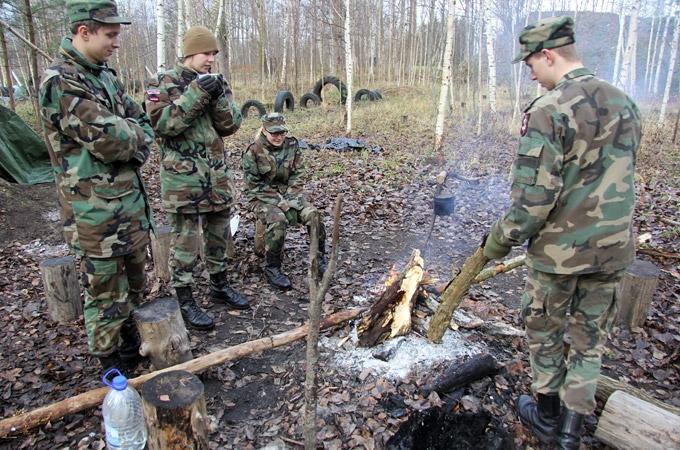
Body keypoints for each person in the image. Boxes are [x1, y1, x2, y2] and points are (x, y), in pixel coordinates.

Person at [481, 16, 642, 449]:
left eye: (531, 62)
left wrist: (498, 241)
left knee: (545, 331)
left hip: (559, 255)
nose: (530, 72)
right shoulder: (623, 101)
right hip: (612, 251)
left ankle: (547, 418)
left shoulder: (549, 110)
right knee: (591, 341)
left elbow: (534, 201)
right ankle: (572, 433)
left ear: (548, 54)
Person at [39, 0, 154, 374]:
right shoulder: (61, 81)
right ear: (83, 32)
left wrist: (132, 137)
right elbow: (111, 139)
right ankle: (110, 366)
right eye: (110, 35)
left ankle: (128, 343)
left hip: (129, 207)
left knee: (135, 285)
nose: (116, 43)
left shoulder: (104, 75)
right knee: (106, 294)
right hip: (94, 215)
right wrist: (130, 137)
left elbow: (142, 125)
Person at [145, 26, 249, 331]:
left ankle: (219, 285)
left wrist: (216, 95)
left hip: (216, 178)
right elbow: (163, 124)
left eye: (215, 54)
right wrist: (198, 93)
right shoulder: (161, 83)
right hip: (183, 183)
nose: (211, 59)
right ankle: (186, 298)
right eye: (206, 53)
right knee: (185, 245)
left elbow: (230, 125)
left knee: (219, 236)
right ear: (190, 52)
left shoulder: (218, 82)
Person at [242, 113, 327, 289]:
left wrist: (290, 198)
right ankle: (273, 267)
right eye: (274, 133)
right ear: (264, 131)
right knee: (277, 219)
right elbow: (254, 186)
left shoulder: (292, 145)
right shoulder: (253, 151)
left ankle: (319, 258)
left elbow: (299, 174)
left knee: (313, 215)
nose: (279, 137)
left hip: (290, 195)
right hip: (262, 198)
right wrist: (279, 202)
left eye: (282, 132)